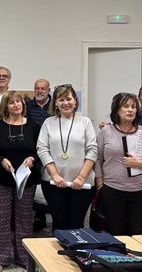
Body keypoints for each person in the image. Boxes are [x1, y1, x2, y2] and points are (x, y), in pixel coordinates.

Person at [0, 91, 40, 271]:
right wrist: (1, 160)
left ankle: (24, 257)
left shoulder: (33, 126)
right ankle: (0, 258)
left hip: (26, 180)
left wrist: (32, 158)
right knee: (1, 218)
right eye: (11, 102)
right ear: (5, 106)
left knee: (24, 219)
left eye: (19, 102)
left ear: (23, 105)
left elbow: (40, 151)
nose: (16, 105)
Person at [94, 93, 142, 235]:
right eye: (126, 106)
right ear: (117, 110)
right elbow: (98, 159)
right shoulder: (106, 132)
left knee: (137, 233)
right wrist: (100, 184)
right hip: (112, 190)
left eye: (133, 107)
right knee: (114, 232)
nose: (130, 110)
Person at [36, 84, 97, 231]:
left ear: (75, 101)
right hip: (54, 183)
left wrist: (81, 177)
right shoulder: (48, 123)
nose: (65, 103)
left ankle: (75, 254)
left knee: (76, 224)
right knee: (59, 223)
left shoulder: (85, 122)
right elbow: (42, 149)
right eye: (61, 99)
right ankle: (57, 254)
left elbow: (93, 150)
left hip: (82, 184)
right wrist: (55, 175)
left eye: (69, 99)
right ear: (55, 103)